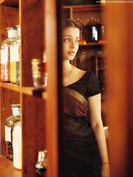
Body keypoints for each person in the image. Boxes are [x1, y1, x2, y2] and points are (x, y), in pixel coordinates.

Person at [62, 19, 110, 177]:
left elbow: (97, 124)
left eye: (76, 40)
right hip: (52, 156)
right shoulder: (39, 79)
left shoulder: (88, 78)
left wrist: (105, 163)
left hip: (84, 157)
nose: (73, 45)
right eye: (67, 39)